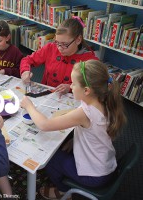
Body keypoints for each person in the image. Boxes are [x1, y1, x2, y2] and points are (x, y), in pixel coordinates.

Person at [20, 60, 127, 199]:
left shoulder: (85, 112)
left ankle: (62, 191)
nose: (70, 86)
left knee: (50, 158)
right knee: (64, 145)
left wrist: (29, 106)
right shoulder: (104, 100)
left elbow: (44, 125)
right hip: (106, 165)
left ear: (86, 90)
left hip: (94, 176)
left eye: (73, 84)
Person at [20, 17, 98, 97]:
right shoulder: (51, 48)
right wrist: (25, 71)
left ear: (78, 40)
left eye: (64, 44)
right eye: (57, 42)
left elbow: (92, 86)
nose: (59, 48)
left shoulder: (89, 60)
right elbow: (27, 60)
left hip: (72, 99)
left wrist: (70, 87)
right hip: (47, 94)